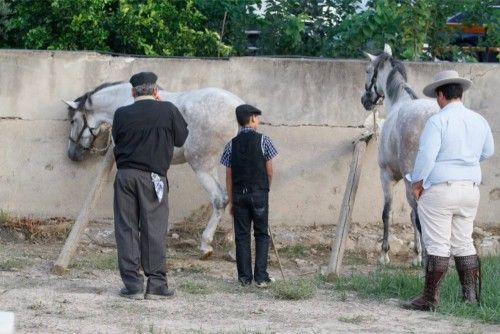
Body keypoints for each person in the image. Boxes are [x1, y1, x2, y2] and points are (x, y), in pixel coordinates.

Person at [403, 70, 494, 311]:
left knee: (437, 244)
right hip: (470, 190)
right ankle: (471, 297)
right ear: (460, 94)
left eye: (437, 96)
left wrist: (417, 182)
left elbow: (426, 155)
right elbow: (488, 152)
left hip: (441, 190)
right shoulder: (479, 120)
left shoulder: (438, 121)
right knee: (464, 242)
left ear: (441, 95)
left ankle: (430, 299)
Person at [112, 72, 189, 300]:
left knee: (126, 229)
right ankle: (156, 285)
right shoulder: (167, 110)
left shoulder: (121, 114)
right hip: (154, 178)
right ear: (156, 91)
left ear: (132, 92)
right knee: (153, 229)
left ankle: (133, 286)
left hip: (125, 176)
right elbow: (181, 139)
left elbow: (118, 138)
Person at [220, 104, 278, 287]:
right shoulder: (264, 141)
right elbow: (269, 171)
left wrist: (231, 200)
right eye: (257, 117)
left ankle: (244, 278)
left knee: (242, 236)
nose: (258, 120)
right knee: (261, 234)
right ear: (253, 118)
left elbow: (228, 176)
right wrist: (264, 190)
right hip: (259, 193)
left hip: (239, 196)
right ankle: (261, 277)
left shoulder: (231, 145)